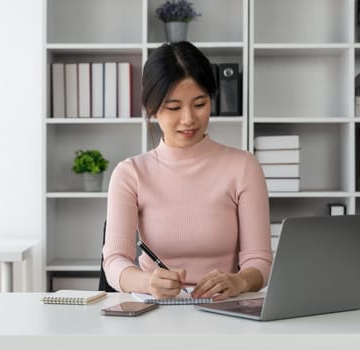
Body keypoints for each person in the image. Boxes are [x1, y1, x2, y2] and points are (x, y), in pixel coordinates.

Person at [102, 41, 272, 301]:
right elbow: (114, 261)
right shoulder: (130, 173)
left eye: (200, 104)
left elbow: (260, 261)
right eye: (173, 108)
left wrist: (238, 282)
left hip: (223, 311)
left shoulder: (243, 167)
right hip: (155, 311)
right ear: (152, 108)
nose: (188, 119)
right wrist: (147, 282)